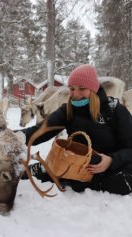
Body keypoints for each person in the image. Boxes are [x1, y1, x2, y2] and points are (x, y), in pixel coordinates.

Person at [18, 64, 132, 195]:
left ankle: (82, 182)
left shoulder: (115, 111)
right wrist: (18, 136)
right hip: (72, 165)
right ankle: (65, 176)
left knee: (123, 183)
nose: (76, 94)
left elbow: (130, 148)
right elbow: (41, 131)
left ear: (93, 89)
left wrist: (111, 160)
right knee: (22, 174)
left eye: (82, 89)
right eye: (71, 89)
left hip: (110, 167)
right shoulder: (68, 110)